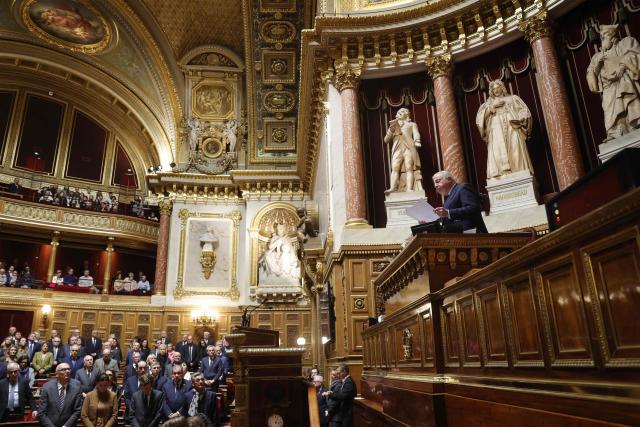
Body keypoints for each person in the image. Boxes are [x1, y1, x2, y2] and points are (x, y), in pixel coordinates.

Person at [587, 24, 640, 141]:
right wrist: (598, 64)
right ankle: (615, 131)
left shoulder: (625, 43)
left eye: (604, 35)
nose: (602, 39)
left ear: (612, 35)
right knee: (610, 108)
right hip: (609, 87)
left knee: (627, 89)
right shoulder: (597, 57)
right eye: (601, 37)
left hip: (625, 79)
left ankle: (636, 123)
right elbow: (591, 76)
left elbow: (635, 55)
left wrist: (623, 65)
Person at [476, 80, 533, 178]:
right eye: (493, 89)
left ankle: (519, 171)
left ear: (502, 87)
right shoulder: (488, 104)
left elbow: (525, 112)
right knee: (498, 152)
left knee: (515, 148)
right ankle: (502, 174)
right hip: (496, 129)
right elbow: (479, 119)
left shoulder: (513, 98)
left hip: (512, 127)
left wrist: (519, 120)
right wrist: (491, 108)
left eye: (498, 87)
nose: (496, 90)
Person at [383, 107, 423, 193]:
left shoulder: (412, 124)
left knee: (409, 167)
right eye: (398, 112)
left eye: (402, 112)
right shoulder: (393, 125)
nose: (399, 113)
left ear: (406, 113)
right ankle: (393, 188)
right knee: (395, 167)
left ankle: (409, 188)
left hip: (409, 147)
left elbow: (416, 133)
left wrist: (417, 141)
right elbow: (386, 140)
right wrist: (391, 130)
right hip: (397, 148)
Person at [38, 363, 84, 427]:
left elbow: (77, 410)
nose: (67, 371)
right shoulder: (47, 387)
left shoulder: (77, 386)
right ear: (57, 374)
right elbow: (41, 412)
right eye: (63, 370)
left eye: (68, 369)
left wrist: (66, 426)